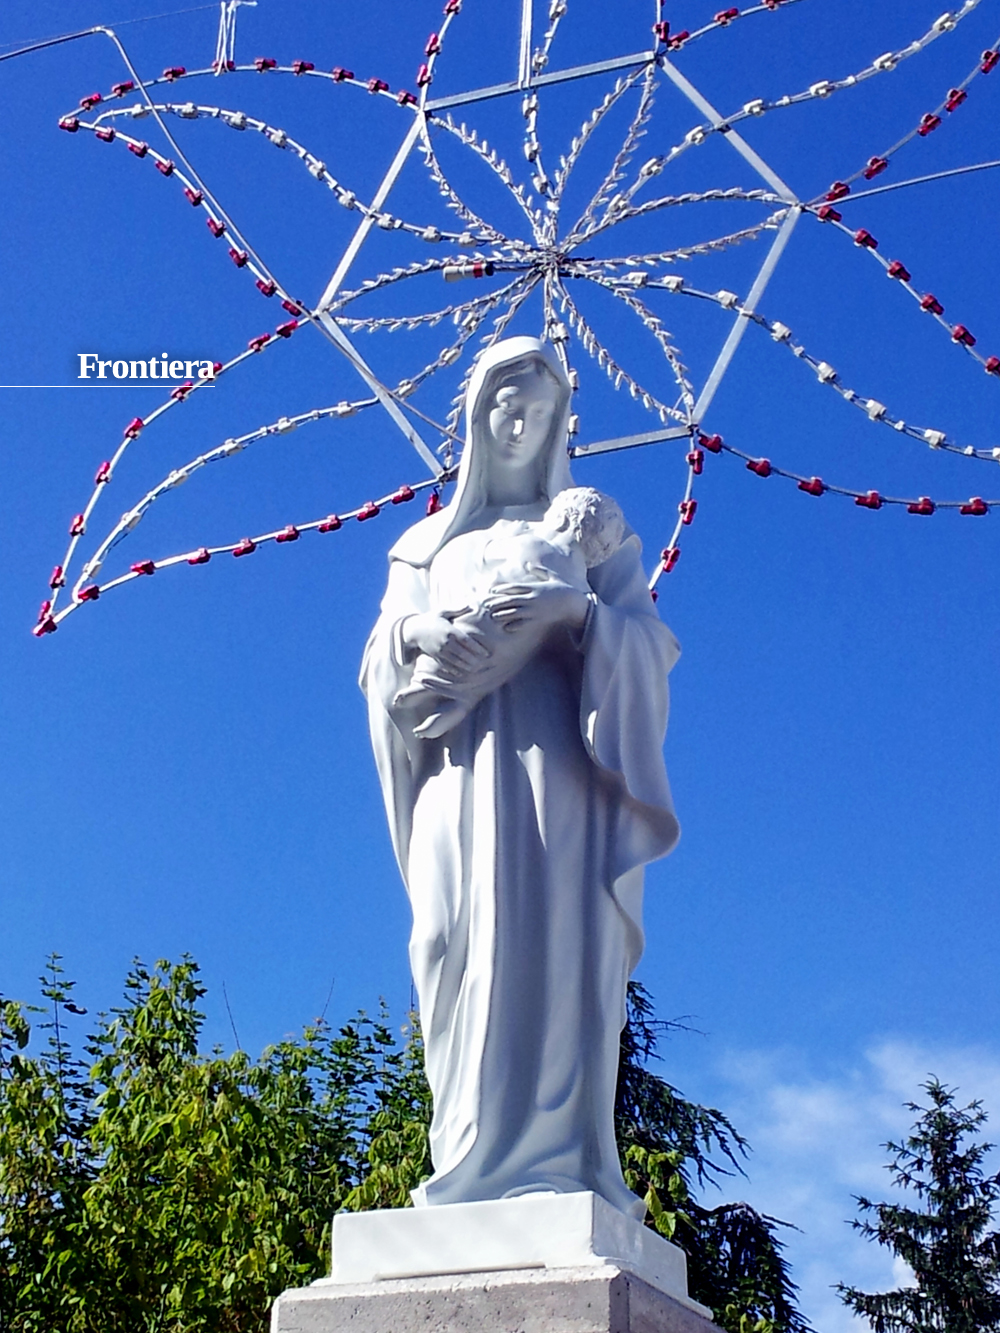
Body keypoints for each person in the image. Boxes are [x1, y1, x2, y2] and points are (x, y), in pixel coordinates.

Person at [360, 335, 680, 1219]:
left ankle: (558, 1158)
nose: (519, 425)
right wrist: (420, 635)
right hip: (459, 769)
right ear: (475, 415)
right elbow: (379, 661)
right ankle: (465, 1151)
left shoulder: (596, 534)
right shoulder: (425, 545)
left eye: (539, 412)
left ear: (558, 424)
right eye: (506, 406)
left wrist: (574, 611)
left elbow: (651, 648)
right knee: (446, 938)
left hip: (559, 771)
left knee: (558, 942)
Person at [391, 485, 626, 740]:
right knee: (482, 640)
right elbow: (391, 629)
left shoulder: (608, 555)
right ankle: (452, 695)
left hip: (549, 719)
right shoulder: (427, 538)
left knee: (487, 635)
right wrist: (412, 630)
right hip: (480, 638)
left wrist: (575, 608)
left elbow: (644, 645)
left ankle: (442, 688)